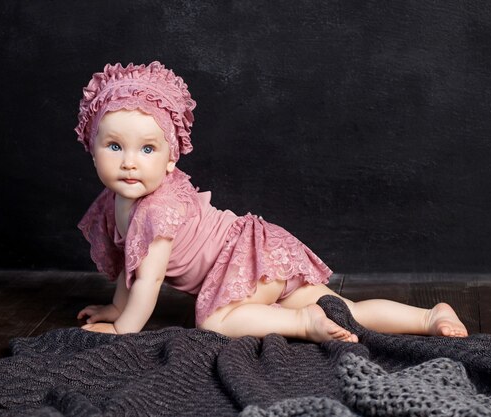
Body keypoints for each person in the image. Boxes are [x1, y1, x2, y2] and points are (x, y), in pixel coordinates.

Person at [75, 62, 468, 343]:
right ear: (91, 148)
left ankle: (302, 323)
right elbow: (133, 267)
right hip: (260, 257)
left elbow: (150, 278)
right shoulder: (115, 202)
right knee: (347, 309)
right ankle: (430, 316)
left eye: (146, 148)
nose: (129, 162)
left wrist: (124, 327)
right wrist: (114, 308)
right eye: (114, 146)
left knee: (215, 322)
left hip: (242, 264)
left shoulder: (156, 210)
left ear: (171, 158)